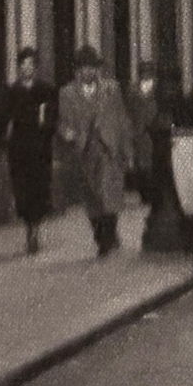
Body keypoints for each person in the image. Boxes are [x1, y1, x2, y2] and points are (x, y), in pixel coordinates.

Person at [56, 44, 135, 257]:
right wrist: (67, 133)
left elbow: (122, 120)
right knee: (91, 198)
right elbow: (63, 122)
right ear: (77, 70)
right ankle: (100, 236)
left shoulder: (111, 89)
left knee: (110, 195)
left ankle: (108, 236)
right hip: (84, 152)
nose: (87, 72)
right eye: (83, 68)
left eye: (91, 67)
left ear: (97, 69)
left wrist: (127, 151)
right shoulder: (67, 93)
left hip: (108, 150)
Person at [2, 46, 57, 254]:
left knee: (38, 188)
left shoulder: (45, 90)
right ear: (19, 67)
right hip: (19, 148)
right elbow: (5, 118)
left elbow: (52, 116)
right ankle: (28, 226)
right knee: (22, 189)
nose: (27, 68)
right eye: (24, 65)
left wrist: (46, 123)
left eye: (31, 65)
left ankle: (35, 228)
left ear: (36, 68)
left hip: (39, 147)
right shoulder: (12, 91)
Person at [126, 60, 164, 200]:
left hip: (155, 132)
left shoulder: (159, 90)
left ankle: (155, 194)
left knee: (155, 163)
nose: (146, 75)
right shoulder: (133, 91)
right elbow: (129, 112)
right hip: (139, 133)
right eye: (143, 72)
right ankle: (144, 194)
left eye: (149, 72)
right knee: (141, 165)